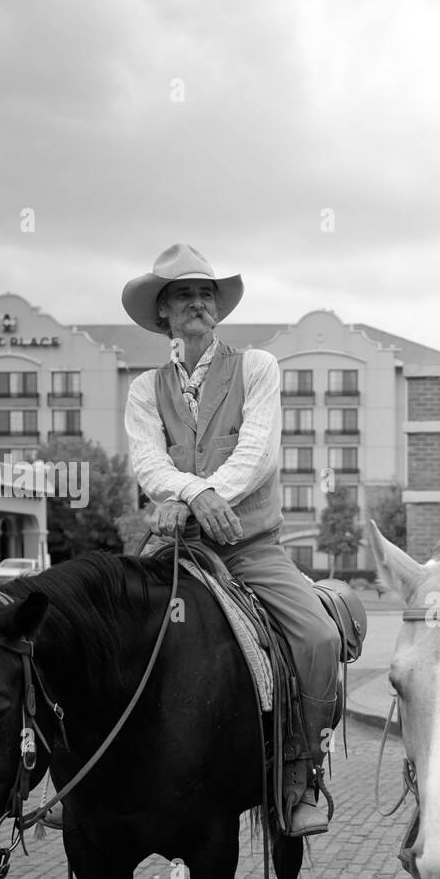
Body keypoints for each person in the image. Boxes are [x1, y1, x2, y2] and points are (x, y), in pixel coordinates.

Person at [122, 243, 341, 836]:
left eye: (205, 293)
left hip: (250, 548)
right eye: (183, 295)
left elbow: (259, 452)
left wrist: (203, 493)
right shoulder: (145, 389)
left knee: (318, 636)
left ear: (217, 307)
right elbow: (147, 462)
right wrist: (194, 497)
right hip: (171, 547)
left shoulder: (257, 368)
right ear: (162, 312)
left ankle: (300, 770)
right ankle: (85, 778)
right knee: (104, 628)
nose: (197, 303)